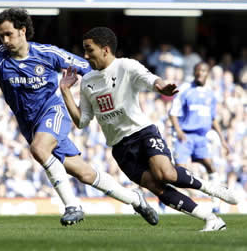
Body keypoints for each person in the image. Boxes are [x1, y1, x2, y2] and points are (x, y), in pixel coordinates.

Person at [0, 8, 158, 226]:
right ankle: (136, 199)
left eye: (8, 34)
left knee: (39, 149)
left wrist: (107, 88)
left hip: (53, 112)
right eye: (1, 35)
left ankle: (72, 206)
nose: (4, 40)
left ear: (22, 31)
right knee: (85, 174)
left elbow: (85, 66)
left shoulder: (47, 53)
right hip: (30, 125)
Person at [60, 27, 239, 231]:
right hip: (120, 148)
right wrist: (65, 92)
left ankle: (213, 189)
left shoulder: (126, 66)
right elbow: (82, 121)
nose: (85, 55)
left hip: (142, 133)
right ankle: (211, 219)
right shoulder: (87, 82)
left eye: (89, 49)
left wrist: (162, 87)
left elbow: (150, 79)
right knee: (157, 187)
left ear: (105, 49)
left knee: (167, 174)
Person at [169, 62, 230, 211]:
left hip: (201, 138)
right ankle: (165, 201)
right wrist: (179, 132)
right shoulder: (185, 89)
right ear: (195, 72)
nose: (200, 73)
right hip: (185, 137)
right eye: (198, 70)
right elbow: (173, 113)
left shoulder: (210, 94)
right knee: (178, 172)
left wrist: (222, 139)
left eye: (203, 71)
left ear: (207, 73)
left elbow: (213, 118)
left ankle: (216, 203)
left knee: (210, 166)